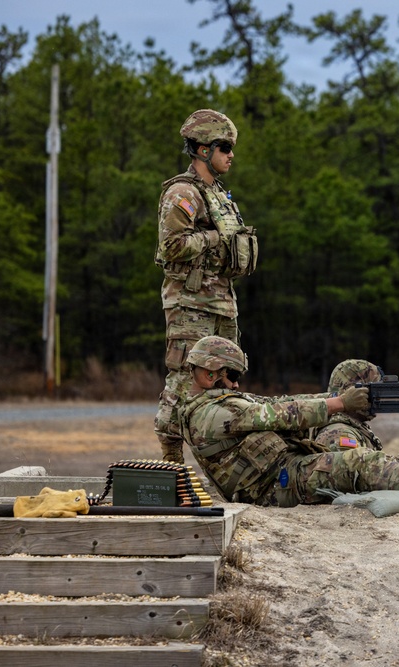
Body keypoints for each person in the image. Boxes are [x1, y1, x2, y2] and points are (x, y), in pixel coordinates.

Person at [178, 336, 399, 511]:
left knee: (359, 461)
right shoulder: (212, 415)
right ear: (209, 373)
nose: (236, 384)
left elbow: (273, 403)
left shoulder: (214, 405)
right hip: (276, 486)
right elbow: (278, 414)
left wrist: (335, 398)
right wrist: (338, 404)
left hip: (285, 474)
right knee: (357, 461)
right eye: (231, 376)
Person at [154, 109, 258, 464]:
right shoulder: (183, 192)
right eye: (224, 147)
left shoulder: (220, 195)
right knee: (185, 379)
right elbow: (171, 246)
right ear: (202, 150)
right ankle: (172, 463)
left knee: (225, 380)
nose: (231, 155)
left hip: (222, 303)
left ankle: (223, 462)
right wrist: (213, 237)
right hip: (191, 304)